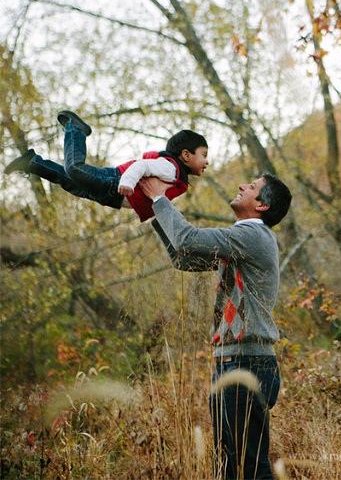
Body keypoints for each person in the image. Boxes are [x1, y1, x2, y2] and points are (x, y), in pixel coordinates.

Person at [146, 167, 292, 480]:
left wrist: (160, 198)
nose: (241, 185)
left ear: (262, 205)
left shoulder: (253, 234)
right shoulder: (242, 240)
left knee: (250, 467)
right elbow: (184, 257)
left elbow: (188, 238)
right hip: (231, 362)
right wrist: (153, 211)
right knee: (228, 466)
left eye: (251, 186)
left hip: (246, 364)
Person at [7, 109, 208, 218]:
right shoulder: (171, 167)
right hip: (114, 183)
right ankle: (75, 129)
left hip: (111, 194)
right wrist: (127, 183)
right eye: (203, 154)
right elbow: (142, 166)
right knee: (75, 169)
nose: (206, 161)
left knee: (69, 182)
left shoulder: (177, 174)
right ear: (186, 155)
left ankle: (32, 163)